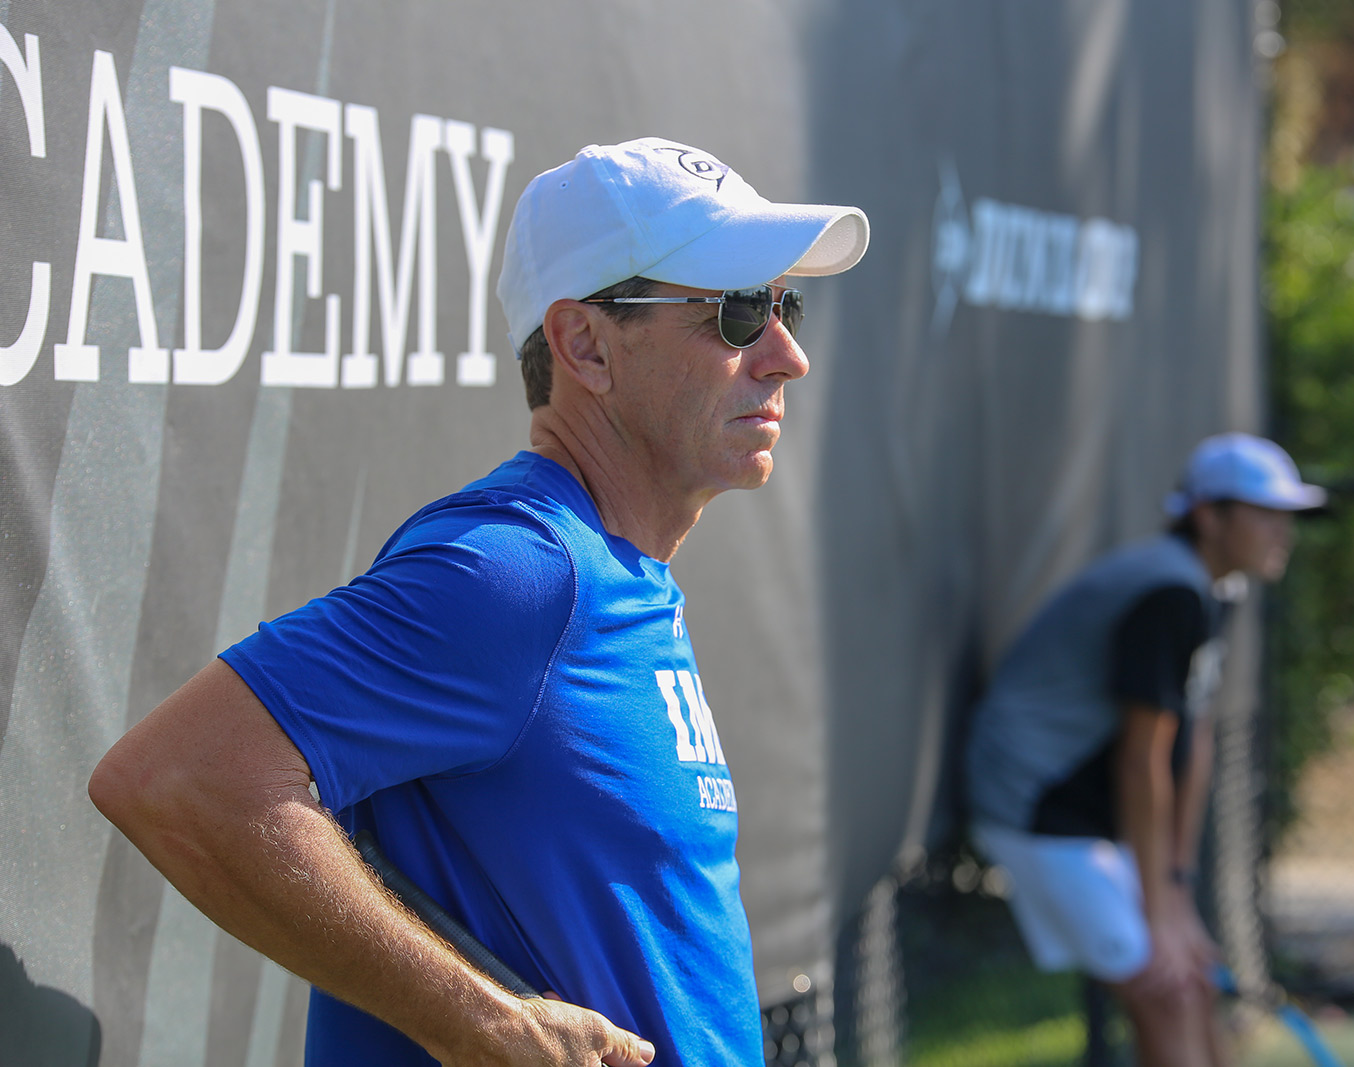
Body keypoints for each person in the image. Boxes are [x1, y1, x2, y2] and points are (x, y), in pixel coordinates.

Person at [89, 137, 869, 1067]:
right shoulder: (522, 567)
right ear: (586, 344)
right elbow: (180, 775)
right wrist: (485, 1021)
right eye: (739, 312)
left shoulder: (607, 568)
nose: (787, 355)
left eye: (787, 305)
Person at [963, 433, 1324, 1067]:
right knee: (1169, 989)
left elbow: (1195, 738)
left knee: (1192, 987)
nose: (1282, 533)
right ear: (1209, 517)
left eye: (1287, 517)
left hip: (1088, 814)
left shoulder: (1217, 589)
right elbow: (1141, 759)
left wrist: (1178, 894)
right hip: (1036, 808)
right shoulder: (1170, 592)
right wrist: (1161, 919)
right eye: (1266, 515)